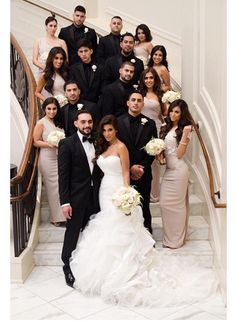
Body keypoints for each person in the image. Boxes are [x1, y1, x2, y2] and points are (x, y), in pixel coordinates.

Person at [69, 114, 218, 308]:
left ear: (116, 131)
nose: (107, 134)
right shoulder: (103, 147)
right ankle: (105, 273)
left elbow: (124, 172)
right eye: (104, 130)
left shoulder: (122, 147)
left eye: (110, 130)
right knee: (105, 226)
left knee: (121, 226)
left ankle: (127, 270)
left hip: (118, 190)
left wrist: (126, 194)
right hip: (104, 190)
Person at [58, 110, 101, 287]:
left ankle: (87, 264)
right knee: (73, 231)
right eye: (83, 122)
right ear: (76, 123)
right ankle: (67, 265)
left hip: (97, 196)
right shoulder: (67, 144)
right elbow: (63, 175)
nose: (87, 125)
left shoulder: (98, 142)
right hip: (76, 197)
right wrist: (65, 202)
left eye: (89, 121)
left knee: (93, 231)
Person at [118, 90, 157, 233]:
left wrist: (141, 168)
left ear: (143, 104)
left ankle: (147, 234)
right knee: (126, 206)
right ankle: (128, 235)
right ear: (128, 103)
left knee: (144, 205)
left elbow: (153, 149)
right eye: (133, 100)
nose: (136, 102)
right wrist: (130, 168)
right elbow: (115, 148)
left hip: (143, 173)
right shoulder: (117, 122)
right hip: (124, 172)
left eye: (139, 100)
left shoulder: (151, 124)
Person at [158, 99, 194, 249]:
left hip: (179, 171)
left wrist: (185, 134)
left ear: (182, 114)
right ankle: (169, 237)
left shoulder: (184, 130)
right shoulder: (166, 127)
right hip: (169, 170)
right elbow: (165, 154)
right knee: (164, 203)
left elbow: (179, 154)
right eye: (171, 110)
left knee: (178, 206)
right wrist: (159, 155)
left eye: (177, 112)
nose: (173, 114)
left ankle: (176, 240)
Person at [33, 97, 66, 226]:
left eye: (54, 109)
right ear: (44, 109)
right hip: (47, 158)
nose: (52, 111)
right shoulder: (41, 123)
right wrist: (50, 144)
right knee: (53, 188)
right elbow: (35, 141)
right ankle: (55, 218)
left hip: (60, 157)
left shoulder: (59, 122)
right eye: (49, 109)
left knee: (61, 186)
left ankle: (63, 215)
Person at [139, 67, 167, 202]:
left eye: (151, 78)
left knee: (155, 164)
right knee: (142, 160)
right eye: (146, 78)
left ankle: (154, 194)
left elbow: (164, 114)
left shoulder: (159, 94)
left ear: (155, 79)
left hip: (156, 129)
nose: (149, 80)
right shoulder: (139, 94)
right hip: (141, 129)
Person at [69, 39, 103, 104]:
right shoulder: (73, 69)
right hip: (79, 103)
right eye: (81, 51)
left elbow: (102, 88)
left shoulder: (100, 68)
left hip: (96, 103)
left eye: (86, 51)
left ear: (91, 51)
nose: (83, 54)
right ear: (78, 53)